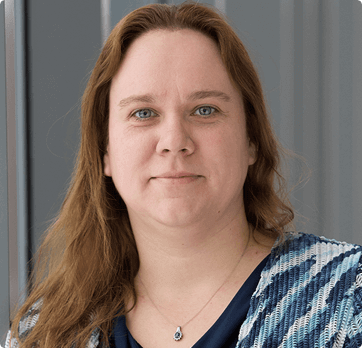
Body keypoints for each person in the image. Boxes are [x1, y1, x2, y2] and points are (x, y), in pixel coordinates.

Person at [5, 1, 362, 347]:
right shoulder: (44, 333)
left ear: (251, 139)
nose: (175, 141)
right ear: (105, 151)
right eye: (143, 113)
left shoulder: (349, 297)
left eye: (205, 110)